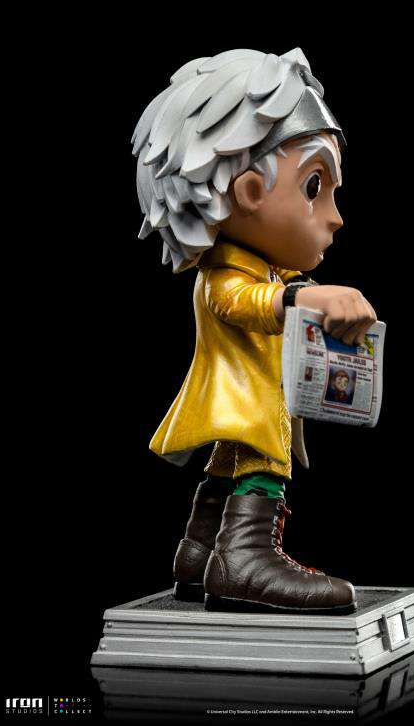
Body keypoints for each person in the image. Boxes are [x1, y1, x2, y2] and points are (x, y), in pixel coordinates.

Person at [132, 48, 377, 614]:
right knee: (264, 465)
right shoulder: (224, 273)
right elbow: (237, 303)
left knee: (228, 463)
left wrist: (308, 295)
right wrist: (297, 298)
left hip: (249, 403)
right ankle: (245, 558)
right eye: (314, 186)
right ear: (246, 193)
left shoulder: (269, 270)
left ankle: (200, 552)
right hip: (247, 400)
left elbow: (277, 291)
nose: (335, 215)